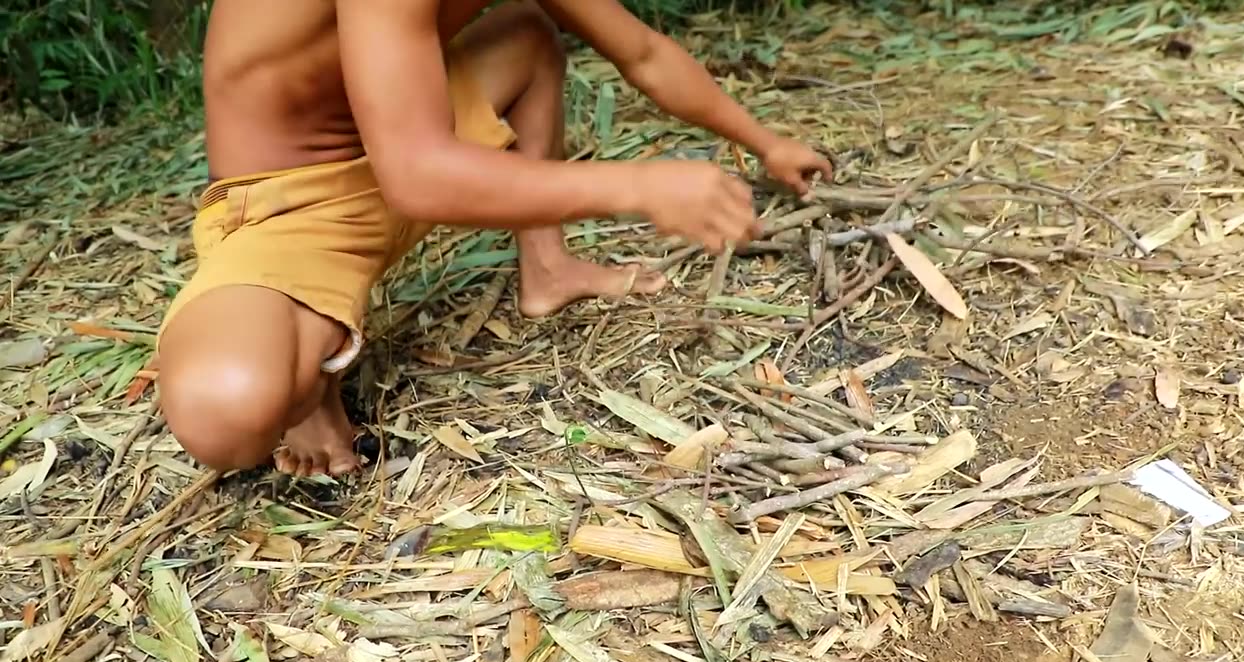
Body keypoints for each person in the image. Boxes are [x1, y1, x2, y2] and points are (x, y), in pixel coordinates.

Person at [158, 0, 833, 478]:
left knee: (529, 38)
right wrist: (641, 186)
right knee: (227, 412)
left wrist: (764, 142)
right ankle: (307, 387)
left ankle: (548, 267)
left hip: (417, 142)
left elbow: (645, 52)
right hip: (296, 208)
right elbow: (417, 177)